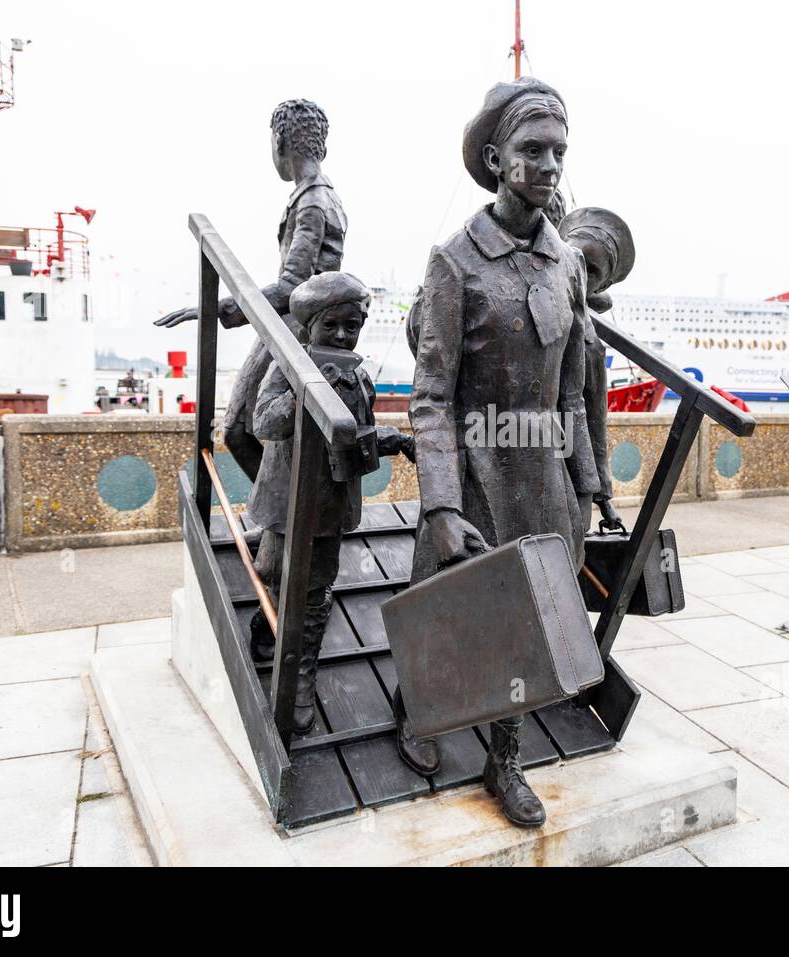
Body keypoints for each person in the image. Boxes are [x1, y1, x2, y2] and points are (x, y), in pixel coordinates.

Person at [396, 76, 600, 828]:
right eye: (531, 150)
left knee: (527, 625)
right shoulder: (456, 262)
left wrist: (588, 481)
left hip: (541, 477)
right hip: (475, 471)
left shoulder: (565, 263)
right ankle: (414, 709)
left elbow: (574, 386)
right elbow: (429, 396)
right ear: (495, 157)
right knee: (445, 605)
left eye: (559, 152)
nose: (549, 165)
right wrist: (442, 504)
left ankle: (504, 756)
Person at [246, 272, 414, 734]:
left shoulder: (359, 375)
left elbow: (356, 435)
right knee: (272, 574)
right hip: (286, 501)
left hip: (329, 503)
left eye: (351, 325)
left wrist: (393, 440)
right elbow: (264, 423)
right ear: (309, 325)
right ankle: (268, 622)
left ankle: (301, 676)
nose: (342, 335)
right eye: (331, 326)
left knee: (316, 593)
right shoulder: (290, 365)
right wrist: (311, 387)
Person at [154, 98, 347, 482]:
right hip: (291, 325)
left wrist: (221, 307)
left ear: (280, 141)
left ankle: (283, 522)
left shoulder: (313, 202)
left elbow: (295, 283)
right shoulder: (319, 196)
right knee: (254, 432)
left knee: (239, 430)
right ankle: (283, 519)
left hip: (291, 328)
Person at [558, 207, 636, 532]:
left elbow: (594, 419)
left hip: (566, 468)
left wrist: (603, 495)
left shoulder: (590, 340)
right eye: (573, 257)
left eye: (592, 271)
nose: (578, 272)